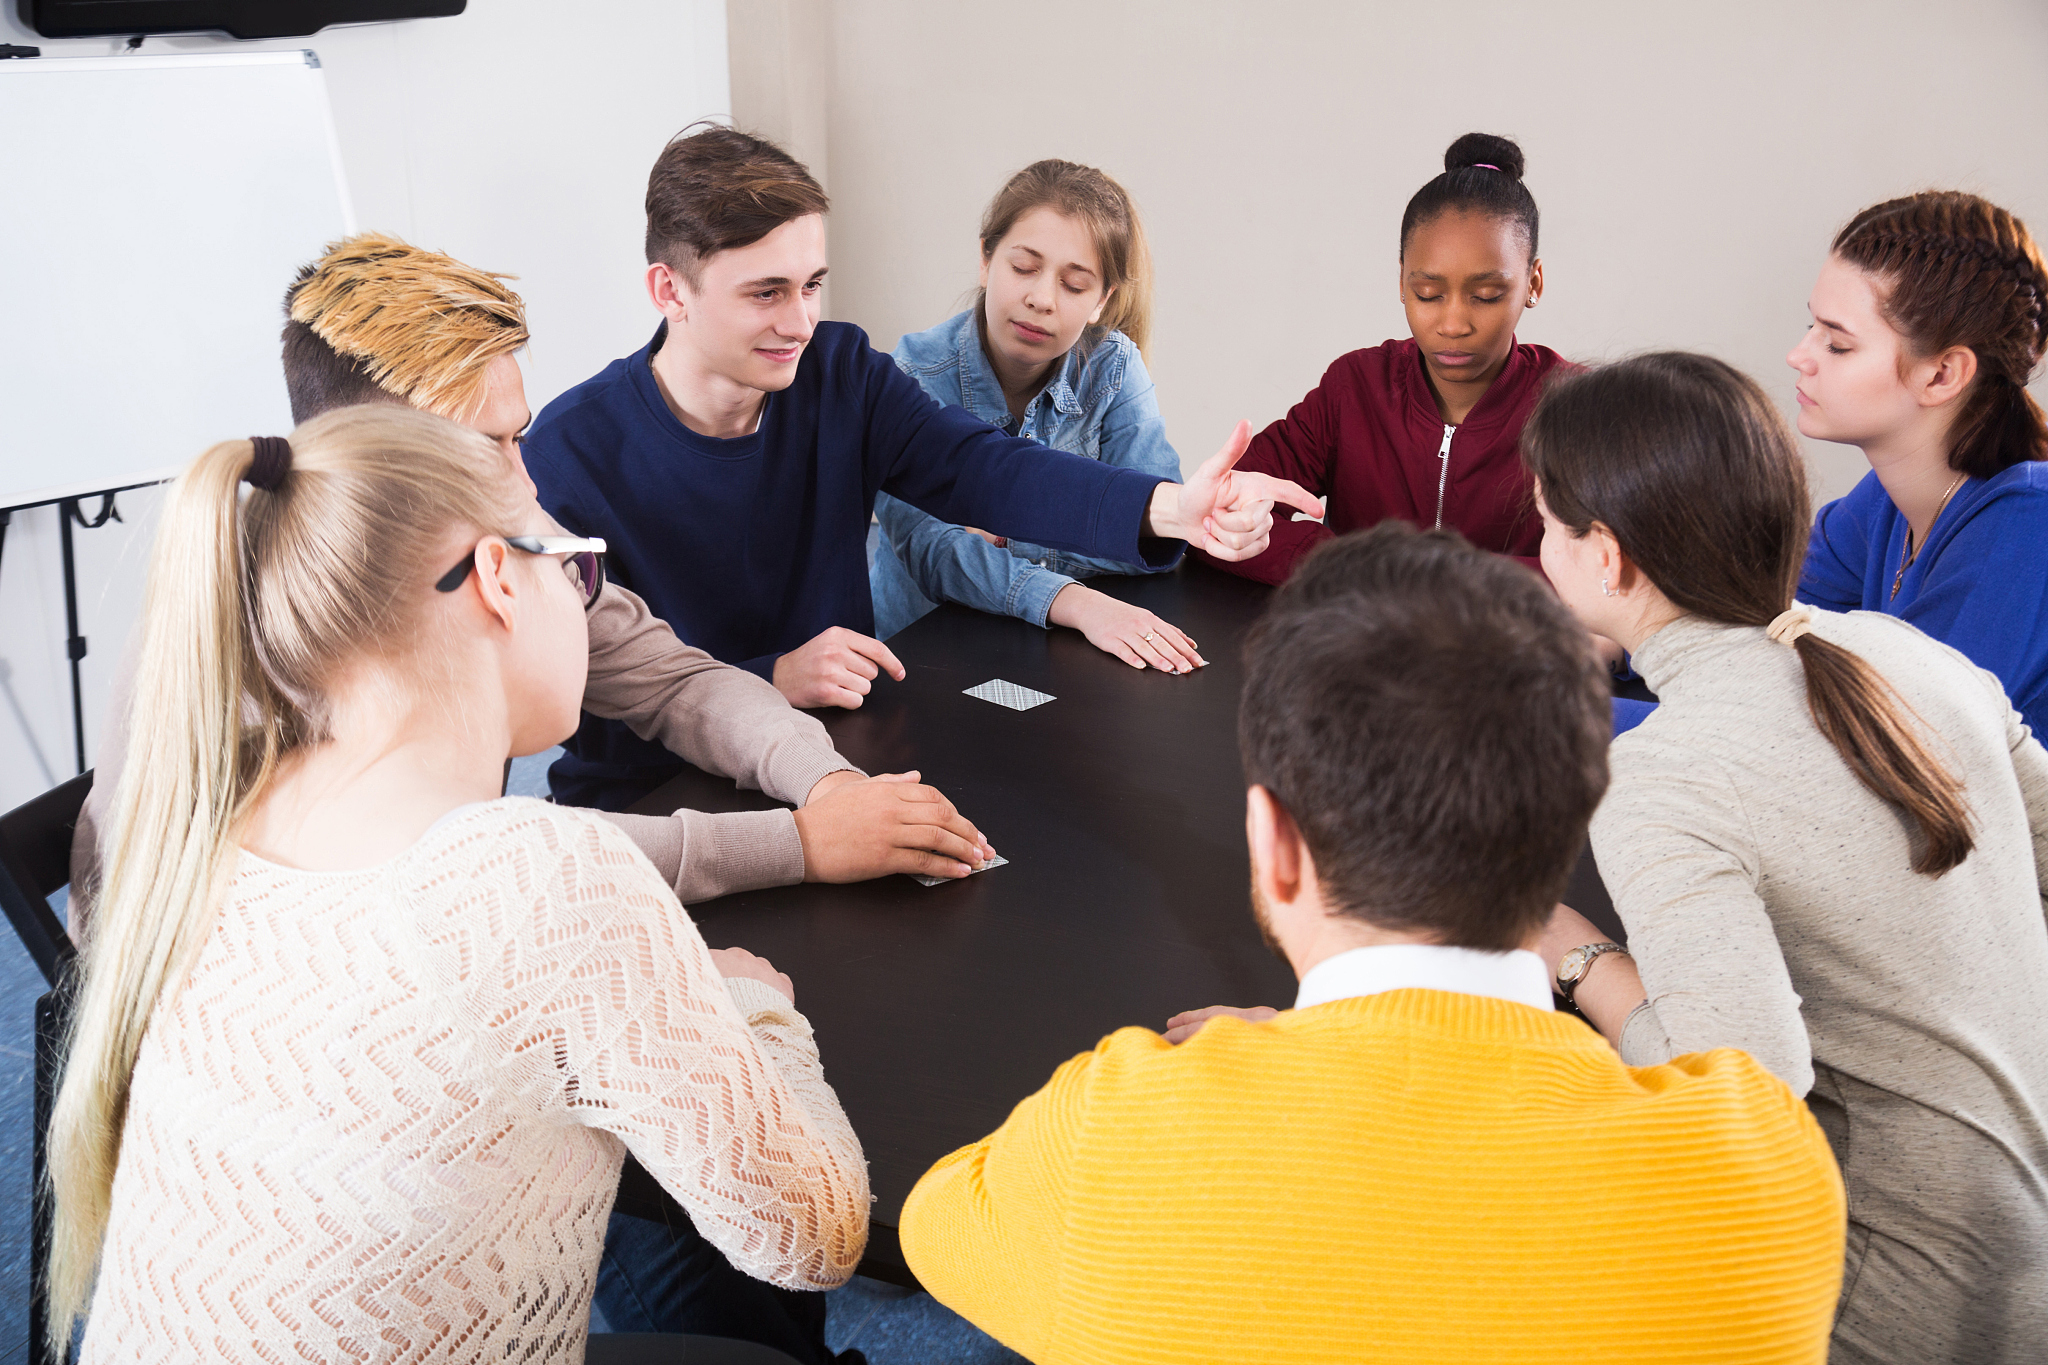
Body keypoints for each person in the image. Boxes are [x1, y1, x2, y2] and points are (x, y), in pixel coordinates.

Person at [898, 522, 1846, 1364]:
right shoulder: (1770, 1170)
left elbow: (938, 1224)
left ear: (1273, 844)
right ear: (1571, 825)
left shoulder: (1108, 1138)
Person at [45, 407, 869, 1362]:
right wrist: (755, 1010)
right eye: (575, 566)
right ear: (494, 580)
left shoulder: (217, 824)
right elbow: (815, 1232)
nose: (586, 598)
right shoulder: (539, 878)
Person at [70, 233, 998, 916]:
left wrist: (822, 781)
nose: (528, 480)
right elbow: (487, 865)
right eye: (492, 447)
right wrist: (792, 844)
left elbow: (671, 678)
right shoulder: (274, 621)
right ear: (381, 458)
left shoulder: (502, 533)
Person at [524, 125, 1317, 811]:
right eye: (767, 293)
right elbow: (579, 691)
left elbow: (985, 470)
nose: (801, 323)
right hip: (663, 801)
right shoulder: (569, 452)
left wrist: (1174, 510)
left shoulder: (839, 373)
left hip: (830, 760)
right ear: (670, 290)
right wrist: (772, 676)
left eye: (811, 287)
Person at [1524, 352, 2048, 1364]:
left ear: (1609, 558)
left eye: (1546, 524)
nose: (1534, 546)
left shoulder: (1666, 774)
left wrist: (1578, 956)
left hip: (1886, 1318)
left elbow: (1744, 1105)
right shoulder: (1918, 660)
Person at [1195, 132, 1572, 587]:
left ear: (1533, 283)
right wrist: (1368, 570)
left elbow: (1617, 566)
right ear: (1401, 281)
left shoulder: (1576, 408)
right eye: (1427, 293)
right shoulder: (1355, 387)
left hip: (1510, 653)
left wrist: (1450, 582)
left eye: (1486, 295)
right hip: (1359, 648)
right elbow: (1217, 512)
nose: (1453, 323)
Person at [869, 160, 1200, 671]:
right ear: (985, 259)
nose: (1040, 299)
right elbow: (933, 553)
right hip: (920, 653)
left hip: (1050, 648)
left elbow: (1155, 530)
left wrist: (1007, 541)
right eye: (1024, 267)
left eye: (1074, 285)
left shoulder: (1113, 365)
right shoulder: (912, 372)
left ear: (1102, 300)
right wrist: (1082, 584)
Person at [1792, 190, 2048, 733]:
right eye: (1812, 327)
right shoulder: (1886, 498)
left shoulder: (2030, 528)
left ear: (1942, 375)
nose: (1800, 355)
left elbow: (1899, 751)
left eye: (1836, 344)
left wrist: (1575, 716)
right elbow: (1763, 627)